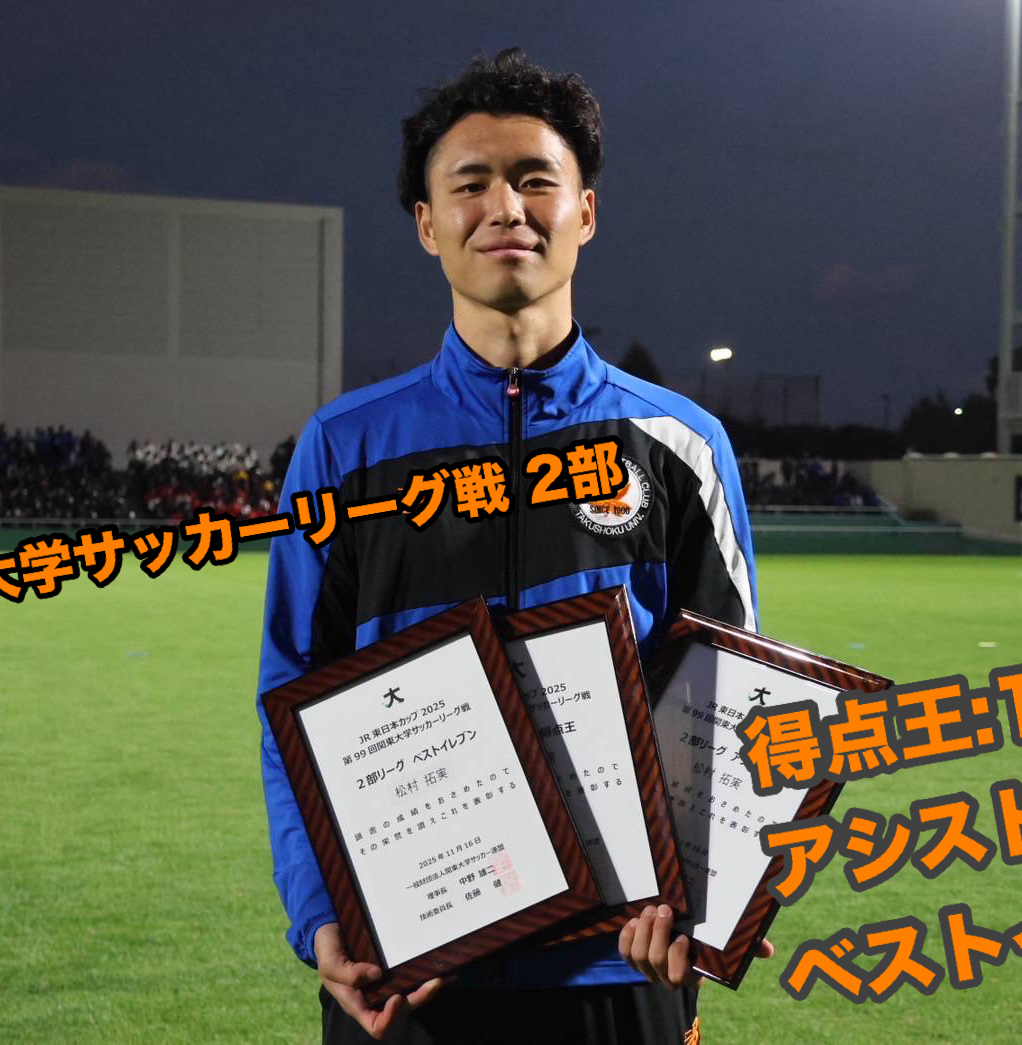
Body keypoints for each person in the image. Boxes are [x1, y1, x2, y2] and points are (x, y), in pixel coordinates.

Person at [254, 50, 763, 1044]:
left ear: (585, 212)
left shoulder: (678, 444)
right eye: (470, 184)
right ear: (426, 224)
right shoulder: (345, 450)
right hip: (410, 970)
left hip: (619, 964)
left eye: (535, 179)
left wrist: (712, 892)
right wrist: (320, 914)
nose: (505, 208)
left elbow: (728, 701)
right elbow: (295, 701)